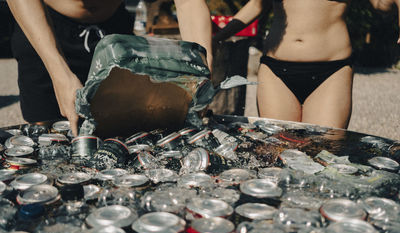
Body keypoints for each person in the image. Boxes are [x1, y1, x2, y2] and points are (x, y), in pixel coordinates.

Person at [7, 0, 212, 136]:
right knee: (48, 135)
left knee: (122, 132)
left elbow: (188, 2)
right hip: (47, 29)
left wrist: (202, 72)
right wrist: (59, 72)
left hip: (114, 34)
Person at [214, 0, 400, 129]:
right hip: (276, 71)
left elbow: (382, 4)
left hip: (331, 72)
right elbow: (256, 5)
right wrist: (217, 38)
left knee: (323, 155)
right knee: (278, 152)